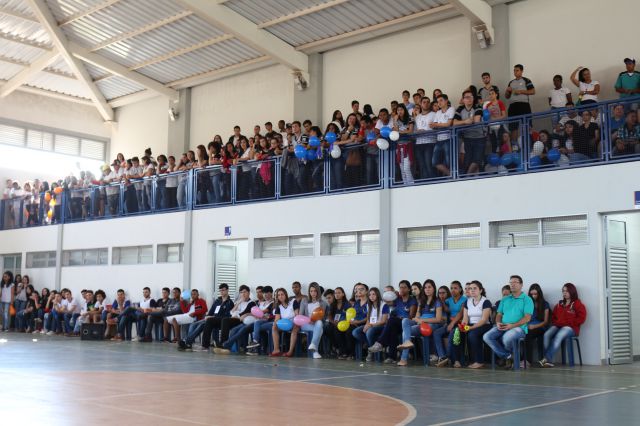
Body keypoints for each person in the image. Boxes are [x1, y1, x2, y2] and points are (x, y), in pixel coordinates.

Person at [483, 275, 534, 369]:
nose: (512, 284)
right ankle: (509, 357)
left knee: (506, 338)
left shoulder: (527, 299)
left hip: (519, 328)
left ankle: (508, 359)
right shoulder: (505, 299)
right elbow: (499, 315)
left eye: (515, 282)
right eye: (510, 283)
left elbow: (527, 318)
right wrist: (498, 323)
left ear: (521, 285)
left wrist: (512, 325)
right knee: (487, 336)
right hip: (503, 326)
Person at [539, 283, 587, 367]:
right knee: (547, 334)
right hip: (558, 326)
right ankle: (547, 361)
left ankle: (546, 359)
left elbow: (581, 318)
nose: (564, 293)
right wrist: (556, 323)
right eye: (563, 291)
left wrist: (570, 323)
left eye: (567, 291)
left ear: (572, 292)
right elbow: (553, 316)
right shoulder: (559, 304)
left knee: (559, 335)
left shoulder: (578, 304)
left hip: (571, 328)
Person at [368, 280, 416, 364]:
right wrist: (387, 298)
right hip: (396, 323)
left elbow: (411, 316)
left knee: (391, 321)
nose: (402, 289)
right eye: (400, 287)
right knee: (392, 328)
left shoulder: (412, 300)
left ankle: (380, 343)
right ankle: (391, 357)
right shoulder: (397, 299)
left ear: (409, 289)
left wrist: (402, 317)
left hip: (406, 324)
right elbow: (389, 304)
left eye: (404, 287)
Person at [397, 280, 440, 366]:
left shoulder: (437, 301)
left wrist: (422, 321)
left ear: (434, 288)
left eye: (429, 287)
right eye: (425, 287)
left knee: (405, 332)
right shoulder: (421, 301)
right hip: (420, 324)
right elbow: (417, 316)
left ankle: (403, 358)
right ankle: (408, 342)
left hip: (431, 324)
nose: (427, 289)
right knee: (405, 321)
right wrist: (417, 319)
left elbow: (438, 319)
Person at [178, 284, 234, 351]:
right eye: (220, 290)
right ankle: (188, 342)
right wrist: (208, 316)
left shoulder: (230, 303)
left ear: (227, 290)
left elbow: (227, 316)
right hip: (211, 319)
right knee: (195, 324)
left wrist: (213, 317)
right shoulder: (217, 301)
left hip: (221, 321)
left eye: (223, 290)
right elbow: (211, 311)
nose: (222, 292)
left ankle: (188, 342)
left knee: (203, 324)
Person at [213, 285, 256, 354]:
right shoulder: (240, 302)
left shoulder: (251, 303)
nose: (243, 294)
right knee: (225, 321)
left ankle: (223, 344)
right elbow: (231, 312)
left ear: (248, 293)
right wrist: (238, 303)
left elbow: (244, 312)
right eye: (241, 292)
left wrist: (237, 315)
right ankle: (224, 344)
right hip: (238, 319)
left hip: (243, 321)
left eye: (244, 292)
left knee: (226, 320)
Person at [434, 281, 467, 367]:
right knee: (436, 333)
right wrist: (442, 302)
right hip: (450, 323)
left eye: (455, 288)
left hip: (459, 323)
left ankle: (449, 357)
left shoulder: (464, 299)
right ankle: (442, 356)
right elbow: (447, 310)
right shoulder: (449, 300)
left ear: (460, 289)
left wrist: (452, 323)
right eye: (451, 288)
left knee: (452, 334)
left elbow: (460, 313)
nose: (453, 290)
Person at [353, 287, 389, 362]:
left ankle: (370, 352)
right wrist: (367, 325)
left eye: (373, 294)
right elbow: (368, 319)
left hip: (381, 326)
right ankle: (371, 347)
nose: (371, 296)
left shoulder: (384, 305)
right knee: (355, 332)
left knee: (369, 331)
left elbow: (384, 321)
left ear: (377, 295)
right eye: (370, 295)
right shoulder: (368, 305)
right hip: (371, 325)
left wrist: (370, 325)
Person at [462, 280, 492, 368]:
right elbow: (465, 318)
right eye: (470, 288)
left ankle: (479, 361)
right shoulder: (467, 301)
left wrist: (470, 328)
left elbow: (484, 320)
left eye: (474, 288)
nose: (472, 290)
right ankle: (458, 360)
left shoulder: (486, 301)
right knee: (456, 333)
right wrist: (463, 326)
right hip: (471, 325)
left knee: (472, 334)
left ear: (480, 290)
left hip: (484, 325)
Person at [454, 90, 484, 175]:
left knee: (477, 159)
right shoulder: (460, 109)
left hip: (479, 137)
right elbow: (454, 123)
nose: (469, 99)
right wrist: (465, 121)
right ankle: (471, 177)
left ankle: (467, 177)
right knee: (468, 161)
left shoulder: (478, 107)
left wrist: (462, 122)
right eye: (467, 97)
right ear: (463, 100)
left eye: (471, 97)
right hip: (467, 137)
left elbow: (476, 121)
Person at [296, 282, 329, 359]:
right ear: (309, 291)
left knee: (319, 323)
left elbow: (323, 318)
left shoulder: (323, 303)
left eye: (315, 291)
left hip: (317, 323)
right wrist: (308, 320)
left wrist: (315, 320)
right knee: (320, 330)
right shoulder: (304, 300)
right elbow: (300, 315)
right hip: (306, 324)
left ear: (318, 292)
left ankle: (313, 346)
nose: (313, 293)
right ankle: (315, 350)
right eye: (311, 291)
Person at [524, 283, 550, 368]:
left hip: (540, 327)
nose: (533, 296)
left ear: (539, 294)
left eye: (535, 294)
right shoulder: (527, 304)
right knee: (524, 333)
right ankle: (522, 359)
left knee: (529, 334)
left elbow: (545, 321)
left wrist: (534, 326)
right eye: (531, 294)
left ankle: (528, 361)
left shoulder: (545, 304)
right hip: (529, 326)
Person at [269, 288, 300, 357]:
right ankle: (276, 349)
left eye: (282, 294)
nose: (280, 296)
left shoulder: (293, 301)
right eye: (278, 295)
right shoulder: (278, 306)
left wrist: (295, 323)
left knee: (295, 329)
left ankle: (290, 351)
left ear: (285, 295)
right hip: (284, 324)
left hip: (294, 322)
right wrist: (275, 324)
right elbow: (277, 319)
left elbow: (297, 315)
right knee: (274, 327)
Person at [431, 94, 455, 176]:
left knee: (449, 161)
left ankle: (453, 176)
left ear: (446, 101)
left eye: (441, 100)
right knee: (435, 162)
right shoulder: (438, 112)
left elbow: (448, 124)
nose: (439, 103)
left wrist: (437, 125)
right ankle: (451, 175)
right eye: (438, 101)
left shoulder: (451, 109)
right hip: (439, 140)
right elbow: (434, 126)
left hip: (448, 139)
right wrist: (438, 125)